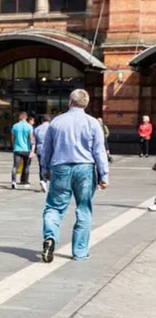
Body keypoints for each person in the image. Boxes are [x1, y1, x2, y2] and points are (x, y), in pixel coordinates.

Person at [39, 89, 109, 263]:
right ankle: (80, 252)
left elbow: (47, 149)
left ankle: (50, 238)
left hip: (60, 167)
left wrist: (45, 169)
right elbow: (99, 151)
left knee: (54, 207)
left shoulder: (56, 122)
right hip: (85, 168)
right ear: (86, 103)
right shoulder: (93, 123)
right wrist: (104, 174)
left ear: (70, 102)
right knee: (84, 208)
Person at [10, 112, 35, 189]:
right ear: (26, 118)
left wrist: (13, 146)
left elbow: (12, 138)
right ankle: (26, 182)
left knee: (15, 166)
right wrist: (32, 149)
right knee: (26, 166)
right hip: (26, 149)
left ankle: (14, 181)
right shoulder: (29, 127)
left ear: (20, 117)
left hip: (17, 149)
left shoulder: (15, 126)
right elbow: (31, 138)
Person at [34, 115, 51, 193]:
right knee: (50, 166)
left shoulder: (37, 129)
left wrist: (33, 150)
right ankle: (46, 182)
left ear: (42, 120)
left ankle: (43, 180)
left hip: (40, 149)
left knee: (41, 166)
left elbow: (34, 141)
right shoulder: (51, 128)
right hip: (50, 149)